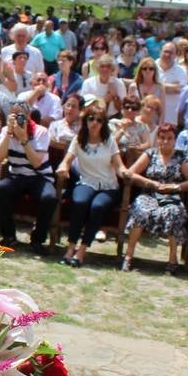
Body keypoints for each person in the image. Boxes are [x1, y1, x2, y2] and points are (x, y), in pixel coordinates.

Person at [121, 123, 188, 274]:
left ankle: (172, 260)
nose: (166, 141)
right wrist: (149, 182)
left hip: (171, 196)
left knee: (173, 212)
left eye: (169, 138)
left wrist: (176, 187)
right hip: (149, 194)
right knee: (141, 209)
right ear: (158, 139)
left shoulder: (181, 156)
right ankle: (128, 255)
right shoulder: (150, 153)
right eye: (162, 138)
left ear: (175, 139)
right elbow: (130, 173)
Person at [56, 107, 124, 268]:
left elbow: (119, 166)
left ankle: (82, 250)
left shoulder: (109, 141)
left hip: (108, 186)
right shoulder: (78, 140)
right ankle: (71, 247)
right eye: (91, 119)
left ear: (103, 123)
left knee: (97, 207)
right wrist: (63, 167)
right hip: (87, 181)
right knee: (80, 202)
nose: (94, 123)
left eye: (99, 120)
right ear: (85, 121)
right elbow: (67, 160)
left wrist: (127, 173)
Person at [0, 96, 57, 253]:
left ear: (28, 116)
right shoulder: (6, 131)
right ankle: (9, 236)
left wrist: (23, 139)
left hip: (39, 176)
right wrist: (8, 134)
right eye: (14, 115)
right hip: (18, 176)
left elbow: (36, 163)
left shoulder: (41, 132)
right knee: (0, 188)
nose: (18, 119)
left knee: (50, 198)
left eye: (21, 115)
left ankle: (37, 240)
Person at [156, 42, 187, 125]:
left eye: (171, 52)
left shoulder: (181, 71)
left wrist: (156, 85)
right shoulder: (151, 67)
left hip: (171, 118)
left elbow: (177, 90)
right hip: (152, 116)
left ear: (176, 55)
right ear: (160, 52)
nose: (167, 54)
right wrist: (170, 86)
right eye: (165, 51)